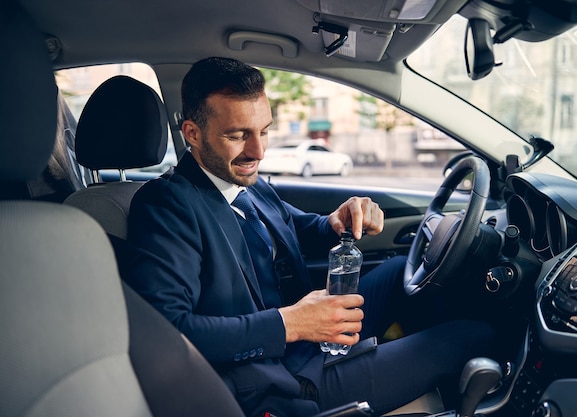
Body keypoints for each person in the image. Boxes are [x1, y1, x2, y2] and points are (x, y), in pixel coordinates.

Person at [124, 57, 494, 417]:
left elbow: (294, 228)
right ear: (193, 133)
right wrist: (292, 323)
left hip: (313, 336)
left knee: (401, 270)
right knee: (471, 335)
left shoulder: (246, 183)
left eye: (264, 131)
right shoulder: (166, 205)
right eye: (237, 135)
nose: (258, 151)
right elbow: (171, 331)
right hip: (283, 374)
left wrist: (337, 221)